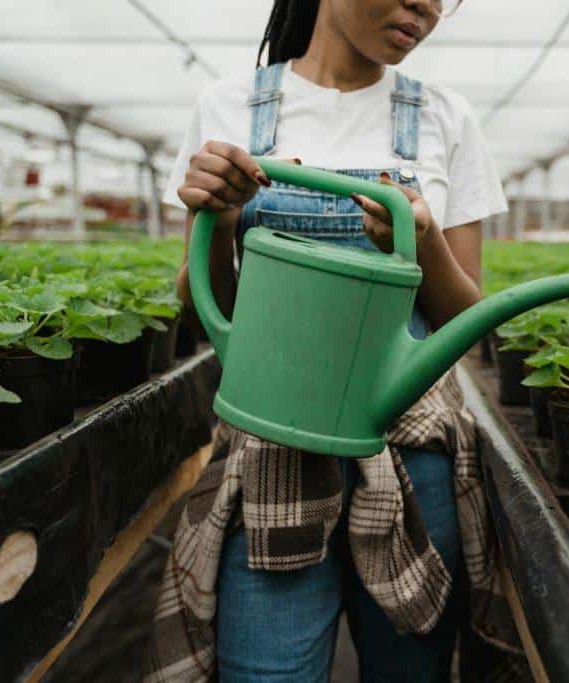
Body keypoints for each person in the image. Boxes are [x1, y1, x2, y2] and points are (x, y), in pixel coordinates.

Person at [144, 1, 512, 682]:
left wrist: (422, 241)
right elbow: (209, 314)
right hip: (273, 454)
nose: (426, 6)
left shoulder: (445, 118)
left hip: (412, 455)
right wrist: (219, 224)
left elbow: (467, 322)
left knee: (411, 670)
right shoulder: (229, 107)